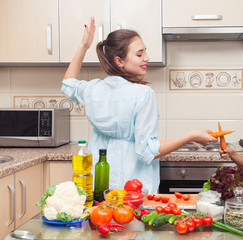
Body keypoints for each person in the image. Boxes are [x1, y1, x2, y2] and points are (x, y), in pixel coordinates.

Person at [61, 17, 217, 194]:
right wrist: (191, 136)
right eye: (139, 54)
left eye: (145, 52)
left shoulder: (93, 89)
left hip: (100, 184)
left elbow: (68, 84)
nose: (147, 58)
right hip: (132, 190)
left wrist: (84, 45)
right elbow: (147, 151)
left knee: (103, 221)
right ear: (119, 61)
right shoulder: (142, 94)